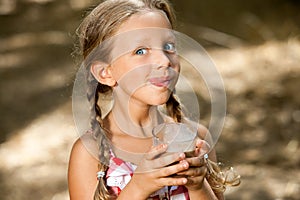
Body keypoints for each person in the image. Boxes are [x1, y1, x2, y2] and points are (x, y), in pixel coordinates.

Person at [68, 0, 239, 199]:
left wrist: (197, 184)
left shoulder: (194, 138)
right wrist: (139, 186)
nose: (164, 60)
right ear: (105, 72)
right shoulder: (90, 153)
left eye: (168, 46)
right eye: (140, 51)